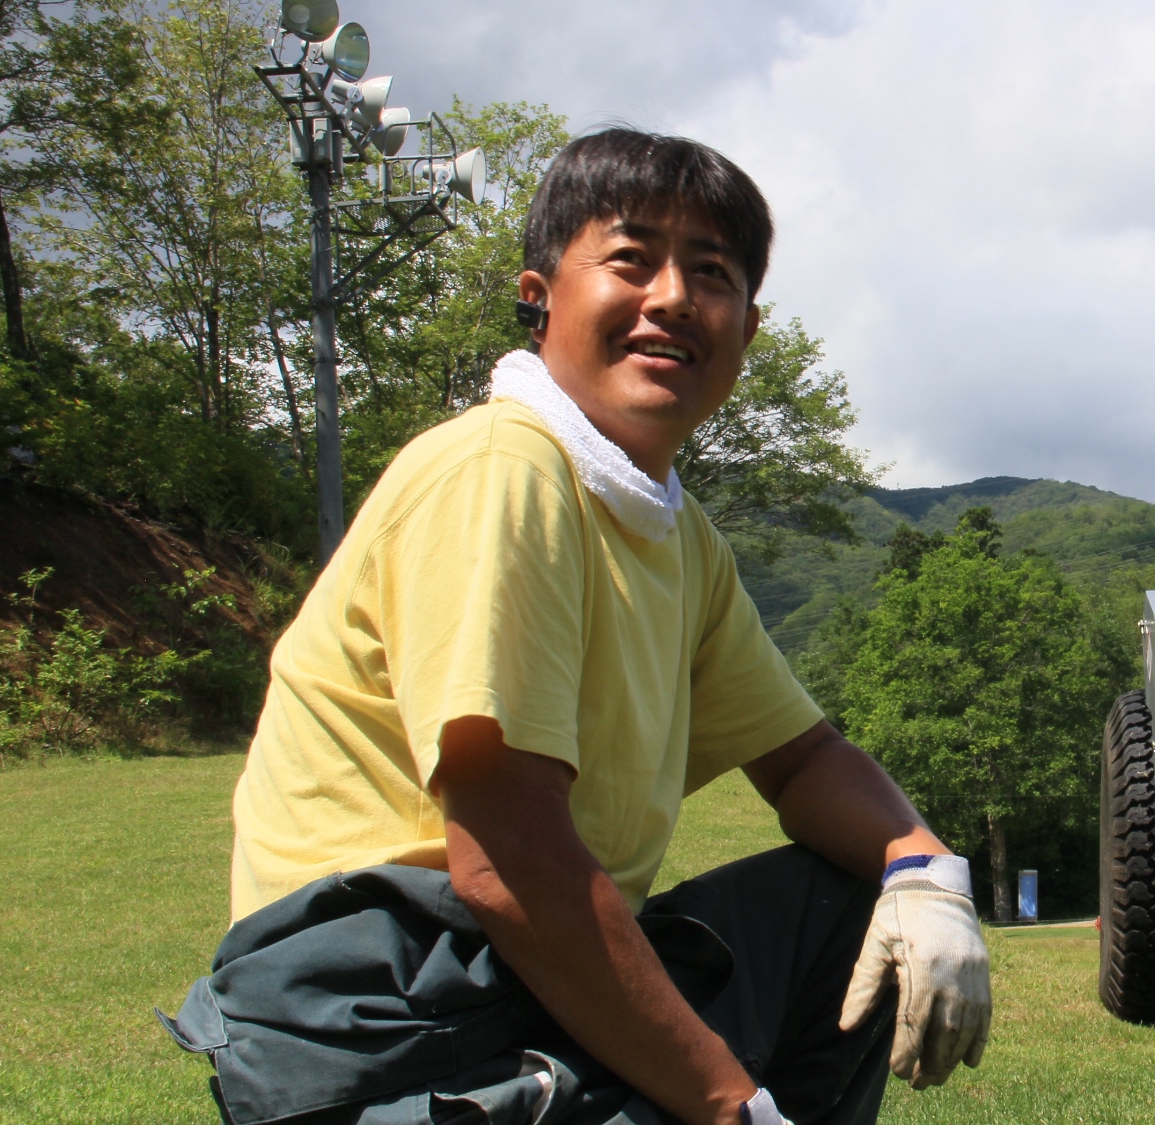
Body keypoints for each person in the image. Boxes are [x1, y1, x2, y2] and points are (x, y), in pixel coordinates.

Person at [163, 129, 991, 1125]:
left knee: (851, 907)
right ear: (539, 293)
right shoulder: (503, 471)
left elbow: (805, 759)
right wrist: (731, 1106)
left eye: (711, 273)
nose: (675, 297)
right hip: (380, 1004)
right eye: (631, 259)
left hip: (496, 975)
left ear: (746, 329)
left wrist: (927, 872)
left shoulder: (676, 535)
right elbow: (508, 860)